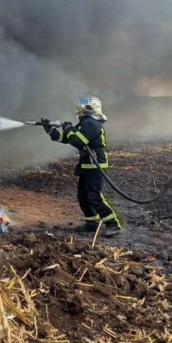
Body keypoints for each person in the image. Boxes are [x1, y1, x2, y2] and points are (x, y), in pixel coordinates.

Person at [45, 96, 123, 237]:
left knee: (94, 196)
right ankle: (91, 222)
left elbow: (77, 140)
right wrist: (50, 130)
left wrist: (68, 127)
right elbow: (66, 138)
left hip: (96, 166)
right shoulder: (85, 124)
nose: (79, 109)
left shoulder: (92, 124)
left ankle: (113, 224)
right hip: (87, 165)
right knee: (83, 196)